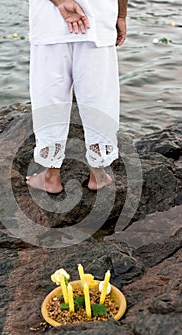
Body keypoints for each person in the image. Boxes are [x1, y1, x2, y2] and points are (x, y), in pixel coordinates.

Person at [26, 0, 128, 193]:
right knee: (99, 98)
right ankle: (97, 174)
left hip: (50, 22)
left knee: (50, 98)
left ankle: (51, 176)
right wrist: (121, 14)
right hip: (98, 19)